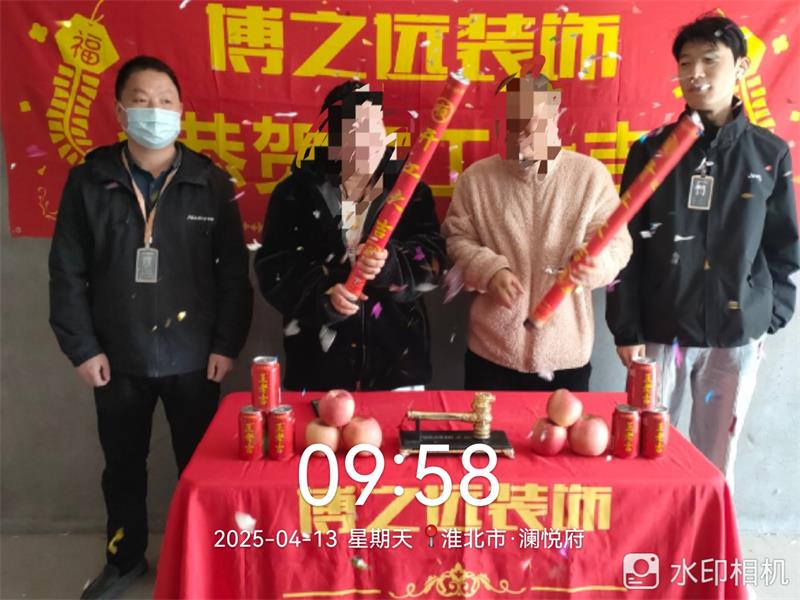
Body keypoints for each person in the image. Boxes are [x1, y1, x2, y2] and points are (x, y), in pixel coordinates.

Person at [48, 55, 253, 598]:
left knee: (201, 469)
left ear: (181, 111)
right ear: (120, 112)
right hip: (116, 357)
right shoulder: (89, 181)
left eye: (165, 101)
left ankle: (204, 561)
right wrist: (82, 348)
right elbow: (66, 272)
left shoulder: (209, 182)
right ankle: (125, 558)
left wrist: (226, 344)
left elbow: (233, 273)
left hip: (195, 357)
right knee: (122, 468)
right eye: (141, 100)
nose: (154, 111)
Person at [606, 15, 799, 486]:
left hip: (735, 338)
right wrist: (625, 328)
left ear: (741, 68)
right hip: (660, 331)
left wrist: (767, 314)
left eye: (710, 61)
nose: (695, 73)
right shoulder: (651, 152)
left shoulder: (768, 153)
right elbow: (623, 245)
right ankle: (654, 536)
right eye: (686, 63)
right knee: (650, 462)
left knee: (714, 466)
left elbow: (783, 246)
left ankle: (707, 537)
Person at [443, 65, 632, 391]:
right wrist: (489, 270)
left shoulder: (589, 176)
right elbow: (456, 238)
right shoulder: (477, 179)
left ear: (555, 116)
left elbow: (618, 244)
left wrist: (594, 264)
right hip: (491, 352)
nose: (526, 131)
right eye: (517, 121)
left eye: (535, 120)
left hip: (565, 355)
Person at [254, 81, 445, 390]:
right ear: (331, 134)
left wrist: (392, 265)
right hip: (317, 368)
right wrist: (322, 295)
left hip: (398, 367)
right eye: (353, 128)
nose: (366, 138)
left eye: (374, 125)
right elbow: (273, 269)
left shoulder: (411, 190)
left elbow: (434, 261)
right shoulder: (295, 192)